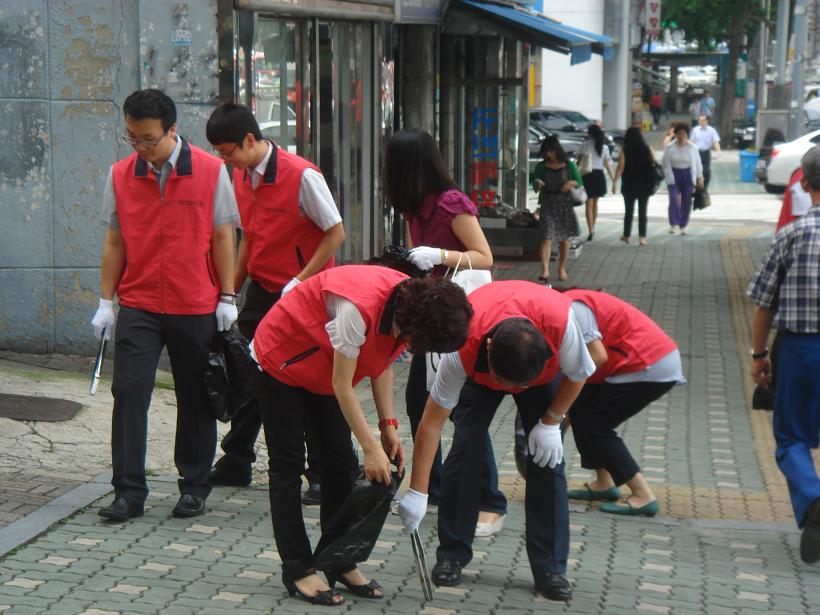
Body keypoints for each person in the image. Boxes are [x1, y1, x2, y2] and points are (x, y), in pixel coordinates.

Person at [252, 265, 473, 605]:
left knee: (340, 462)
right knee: (288, 464)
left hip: (324, 368)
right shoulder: (357, 309)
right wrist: (371, 448)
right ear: (415, 324)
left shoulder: (410, 306)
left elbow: (381, 360)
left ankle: (339, 560)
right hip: (285, 358)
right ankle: (297, 568)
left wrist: (388, 427)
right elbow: (343, 385)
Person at [91, 89, 239, 521]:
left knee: (194, 396)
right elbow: (115, 240)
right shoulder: (121, 174)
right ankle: (128, 492)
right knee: (129, 392)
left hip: (194, 302)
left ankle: (194, 486)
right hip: (138, 302)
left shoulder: (212, 172)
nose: (139, 146)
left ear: (172, 130)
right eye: (132, 137)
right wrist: (106, 300)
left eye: (148, 138)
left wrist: (227, 296)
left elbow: (223, 237)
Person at [398, 281, 596, 602]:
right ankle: (452, 553)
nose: (513, 391)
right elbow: (431, 424)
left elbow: (580, 373)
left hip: (540, 380)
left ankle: (550, 568)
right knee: (466, 446)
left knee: (547, 459)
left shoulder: (561, 325)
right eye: (507, 384)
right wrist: (418, 492)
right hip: (479, 380)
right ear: (488, 349)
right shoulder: (462, 345)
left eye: (519, 386)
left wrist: (551, 421)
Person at [205, 104, 344, 503]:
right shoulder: (240, 175)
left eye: (227, 150)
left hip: (306, 293)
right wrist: (228, 294)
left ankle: (321, 472)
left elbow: (335, 233)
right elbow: (249, 238)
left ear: (250, 140)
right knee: (247, 371)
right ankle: (237, 458)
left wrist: (300, 281)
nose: (223, 158)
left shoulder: (302, 175)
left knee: (308, 379)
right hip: (265, 292)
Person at [384, 129, 506, 536]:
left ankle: (489, 499)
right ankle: (431, 487)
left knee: (459, 410)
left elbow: (483, 256)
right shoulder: (413, 207)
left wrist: (440, 254)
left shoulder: (451, 203)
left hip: (461, 318)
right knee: (420, 401)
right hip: (432, 315)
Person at [748, 145, 820, 565]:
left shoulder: (791, 235)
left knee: (792, 437)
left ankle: (812, 502)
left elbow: (763, 305)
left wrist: (759, 355)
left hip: (801, 349)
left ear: (804, 183)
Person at [563, 289, 685, 515]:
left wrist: (557, 415)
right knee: (581, 413)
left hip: (647, 363)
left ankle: (642, 494)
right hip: (630, 363)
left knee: (595, 426)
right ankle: (605, 483)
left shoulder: (572, 308)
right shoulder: (564, 306)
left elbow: (597, 357)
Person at [532, 136, 582, 283]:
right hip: (547, 203)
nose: (549, 155)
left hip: (564, 205)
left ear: (557, 151)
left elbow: (579, 182)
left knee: (564, 240)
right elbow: (535, 185)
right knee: (546, 238)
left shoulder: (569, 165)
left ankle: (561, 268)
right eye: (546, 152)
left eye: (551, 151)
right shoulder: (541, 166)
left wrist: (571, 183)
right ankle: (545, 269)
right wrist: (537, 183)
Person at [612, 127, 656, 246]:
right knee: (642, 211)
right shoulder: (647, 148)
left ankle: (626, 235)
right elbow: (654, 162)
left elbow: (620, 167)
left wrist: (614, 182)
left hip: (629, 185)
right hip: (644, 184)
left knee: (629, 211)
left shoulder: (624, 151)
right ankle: (642, 238)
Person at [661, 123, 703, 235]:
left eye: (683, 134)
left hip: (688, 175)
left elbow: (698, 163)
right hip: (673, 175)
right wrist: (666, 172)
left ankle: (683, 225)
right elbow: (664, 162)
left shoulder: (692, 148)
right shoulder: (670, 147)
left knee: (687, 201)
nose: (681, 136)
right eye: (679, 134)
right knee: (674, 199)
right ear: (675, 135)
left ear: (687, 135)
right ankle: (673, 224)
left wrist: (700, 177)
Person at [577, 124, 614, 241]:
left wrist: (574, 175)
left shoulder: (584, 146)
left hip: (587, 175)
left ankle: (591, 230)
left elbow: (578, 163)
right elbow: (607, 165)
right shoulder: (604, 147)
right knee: (595, 204)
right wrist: (613, 180)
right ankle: (593, 227)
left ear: (590, 134)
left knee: (589, 203)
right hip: (599, 176)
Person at [690, 115, 721, 190]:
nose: (701, 122)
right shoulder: (695, 130)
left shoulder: (711, 130)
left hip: (706, 152)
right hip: (697, 152)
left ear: (707, 121)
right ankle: (697, 185)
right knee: (697, 170)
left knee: (706, 170)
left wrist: (718, 151)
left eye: (703, 120)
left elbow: (715, 142)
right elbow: (691, 142)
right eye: (700, 120)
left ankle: (705, 186)